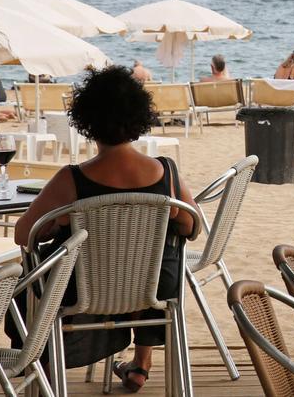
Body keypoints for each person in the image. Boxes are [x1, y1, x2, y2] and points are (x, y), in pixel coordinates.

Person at [13, 65, 200, 392]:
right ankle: (141, 363)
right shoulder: (166, 172)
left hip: (85, 288)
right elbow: (193, 225)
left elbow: (22, 235)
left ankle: (45, 366)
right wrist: (168, 217)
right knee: (157, 258)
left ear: (88, 121)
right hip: (153, 287)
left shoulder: (70, 180)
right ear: (138, 117)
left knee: (28, 284)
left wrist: (58, 222)